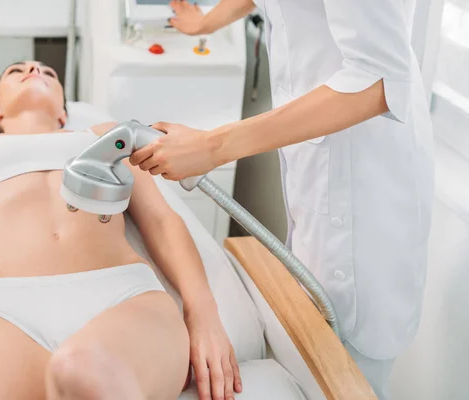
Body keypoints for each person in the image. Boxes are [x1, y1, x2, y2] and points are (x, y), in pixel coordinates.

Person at [0, 61, 242, 400]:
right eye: (16, 71)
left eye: (48, 72)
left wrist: (203, 314)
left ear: (64, 112)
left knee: (83, 372)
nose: (34, 68)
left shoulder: (105, 135)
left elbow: (162, 221)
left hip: (123, 296)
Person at [129, 1, 434, 399]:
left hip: (365, 186)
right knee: (314, 341)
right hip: (319, 171)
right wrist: (208, 20)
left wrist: (213, 146)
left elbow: (379, 79)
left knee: (351, 367)